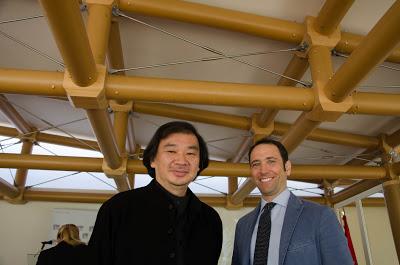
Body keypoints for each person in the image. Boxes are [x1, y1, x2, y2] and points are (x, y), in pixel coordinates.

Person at [89, 121, 223, 265]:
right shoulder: (118, 208)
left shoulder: (210, 220)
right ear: (153, 159)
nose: (182, 161)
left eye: (190, 153)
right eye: (171, 151)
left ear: (199, 165)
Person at [231, 138, 353, 265]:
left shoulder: (320, 217)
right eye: (256, 164)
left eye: (271, 161)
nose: (263, 170)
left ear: (287, 167)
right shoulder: (243, 225)